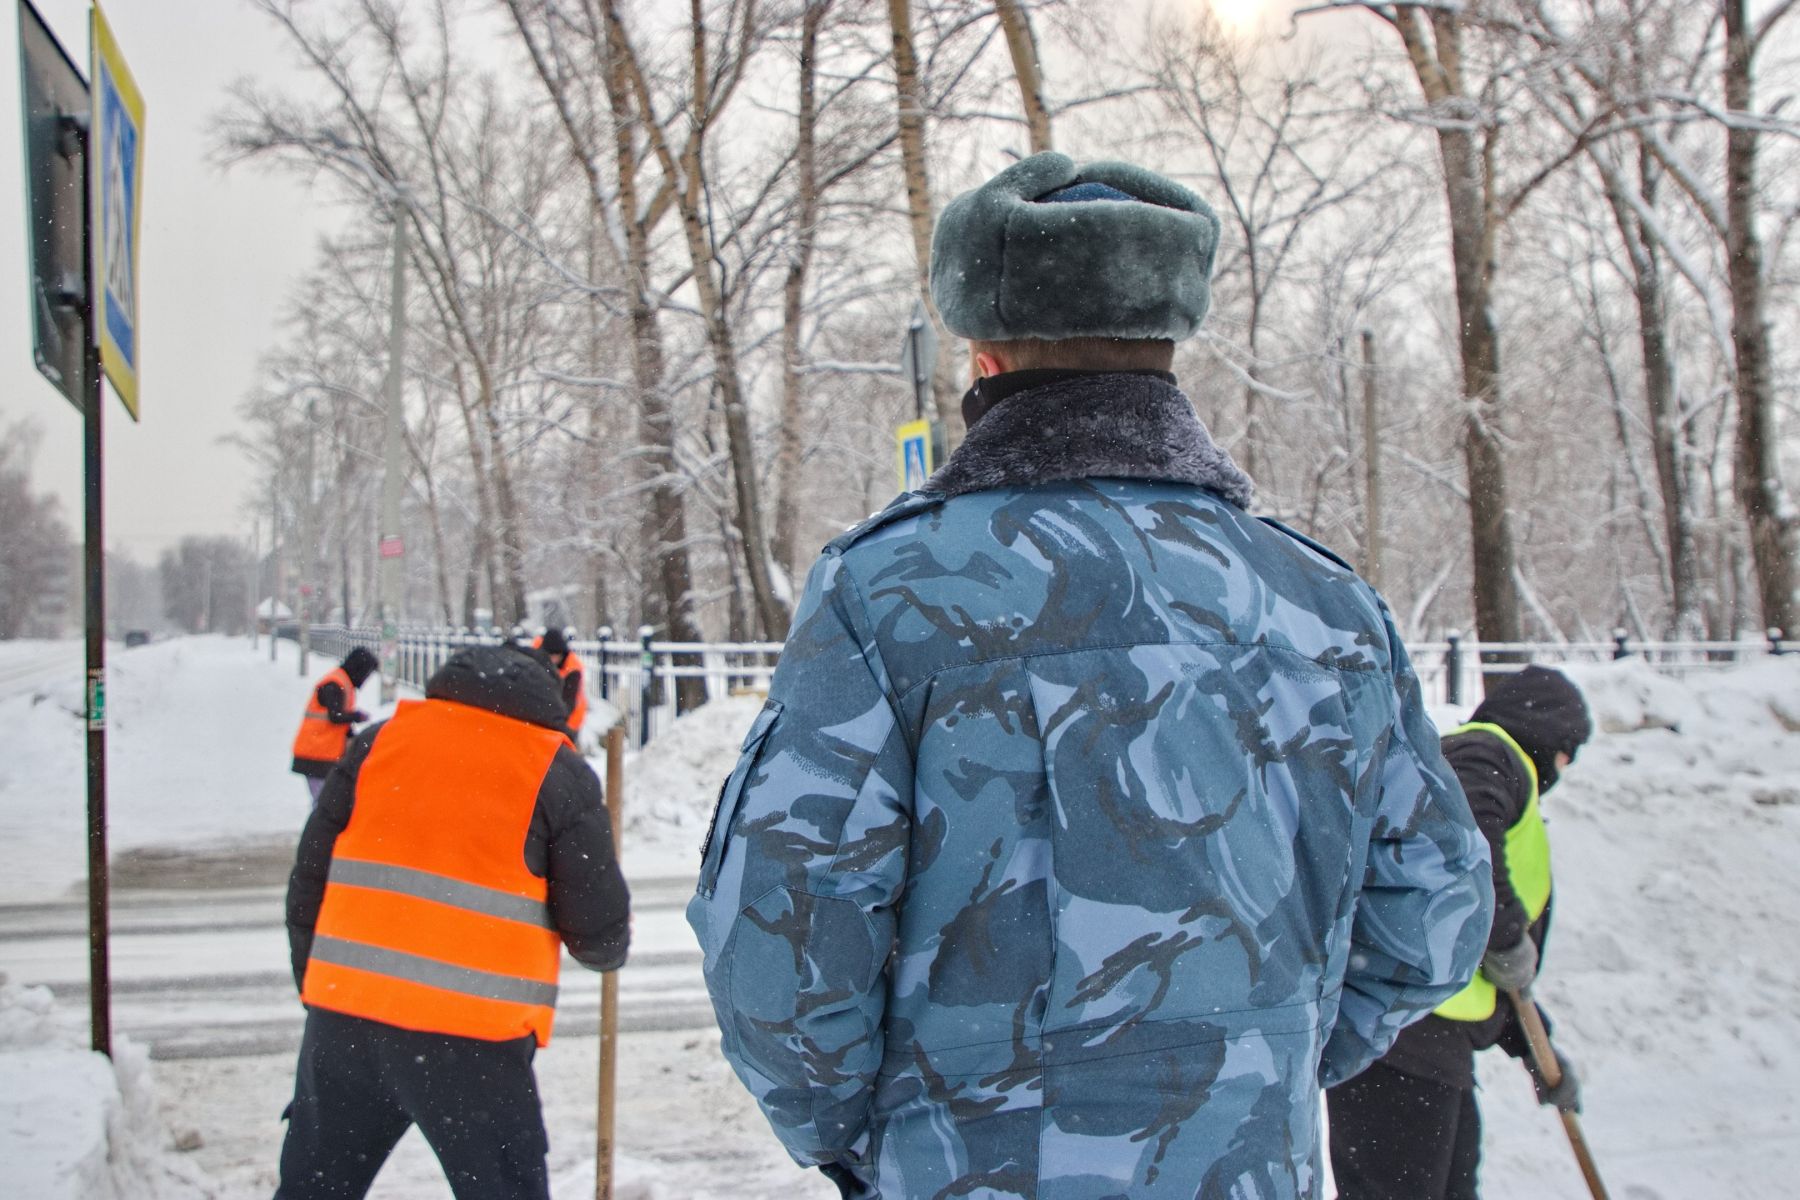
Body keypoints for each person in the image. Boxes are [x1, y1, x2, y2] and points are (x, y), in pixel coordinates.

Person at [686, 151, 1493, 1199]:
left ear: (980, 350)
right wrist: (1259, 1064)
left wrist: (865, 1132)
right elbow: (1432, 908)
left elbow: (781, 938)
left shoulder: (887, 593)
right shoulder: (1326, 607)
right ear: (1168, 338)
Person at [277, 642, 630, 1200]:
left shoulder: (377, 744)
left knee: (315, 1189)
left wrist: (319, 991)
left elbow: (307, 887)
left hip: (345, 1023)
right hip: (474, 1045)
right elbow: (599, 934)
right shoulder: (554, 770)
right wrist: (609, 945)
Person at [1327, 665, 1593, 1200]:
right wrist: (1507, 933)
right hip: (1399, 1029)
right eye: (1569, 749)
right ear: (1546, 732)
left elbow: (1481, 967)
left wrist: (1533, 1047)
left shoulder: (1494, 768)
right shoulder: (1484, 754)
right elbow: (1467, 848)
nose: (1566, 766)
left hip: (1428, 1036)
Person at [290, 647, 377, 805]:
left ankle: (323, 828)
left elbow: (340, 722)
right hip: (316, 752)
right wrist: (356, 716)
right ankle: (319, 830)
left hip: (323, 751)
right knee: (323, 803)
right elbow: (335, 716)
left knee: (325, 802)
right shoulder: (334, 684)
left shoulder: (343, 683)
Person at [533, 627, 588, 739]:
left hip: (569, 722)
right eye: (550, 656)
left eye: (556, 656)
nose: (553, 660)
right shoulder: (537, 659)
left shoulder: (572, 670)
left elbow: (568, 703)